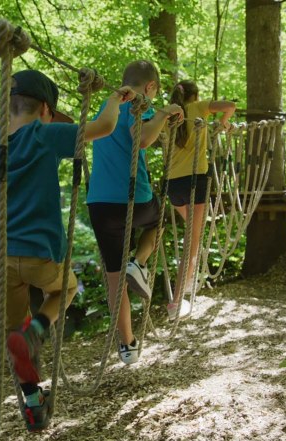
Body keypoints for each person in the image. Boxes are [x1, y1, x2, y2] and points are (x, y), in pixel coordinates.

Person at [0, 69, 134, 432]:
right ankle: (38, 328)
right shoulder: (45, 134)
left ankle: (32, 402)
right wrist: (114, 100)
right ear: (45, 108)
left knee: (12, 332)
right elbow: (104, 127)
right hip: (38, 254)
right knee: (65, 288)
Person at [87, 60, 184, 365]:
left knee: (114, 282)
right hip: (134, 202)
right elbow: (141, 138)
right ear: (150, 87)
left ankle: (127, 345)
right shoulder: (140, 105)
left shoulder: (108, 104)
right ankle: (139, 261)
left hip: (100, 205)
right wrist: (165, 112)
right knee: (158, 219)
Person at [164, 80, 235, 318]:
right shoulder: (199, 108)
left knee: (192, 235)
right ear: (195, 96)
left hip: (173, 185)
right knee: (193, 242)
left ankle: (188, 283)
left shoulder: (168, 114)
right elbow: (230, 105)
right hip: (196, 181)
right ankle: (177, 300)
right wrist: (223, 124)